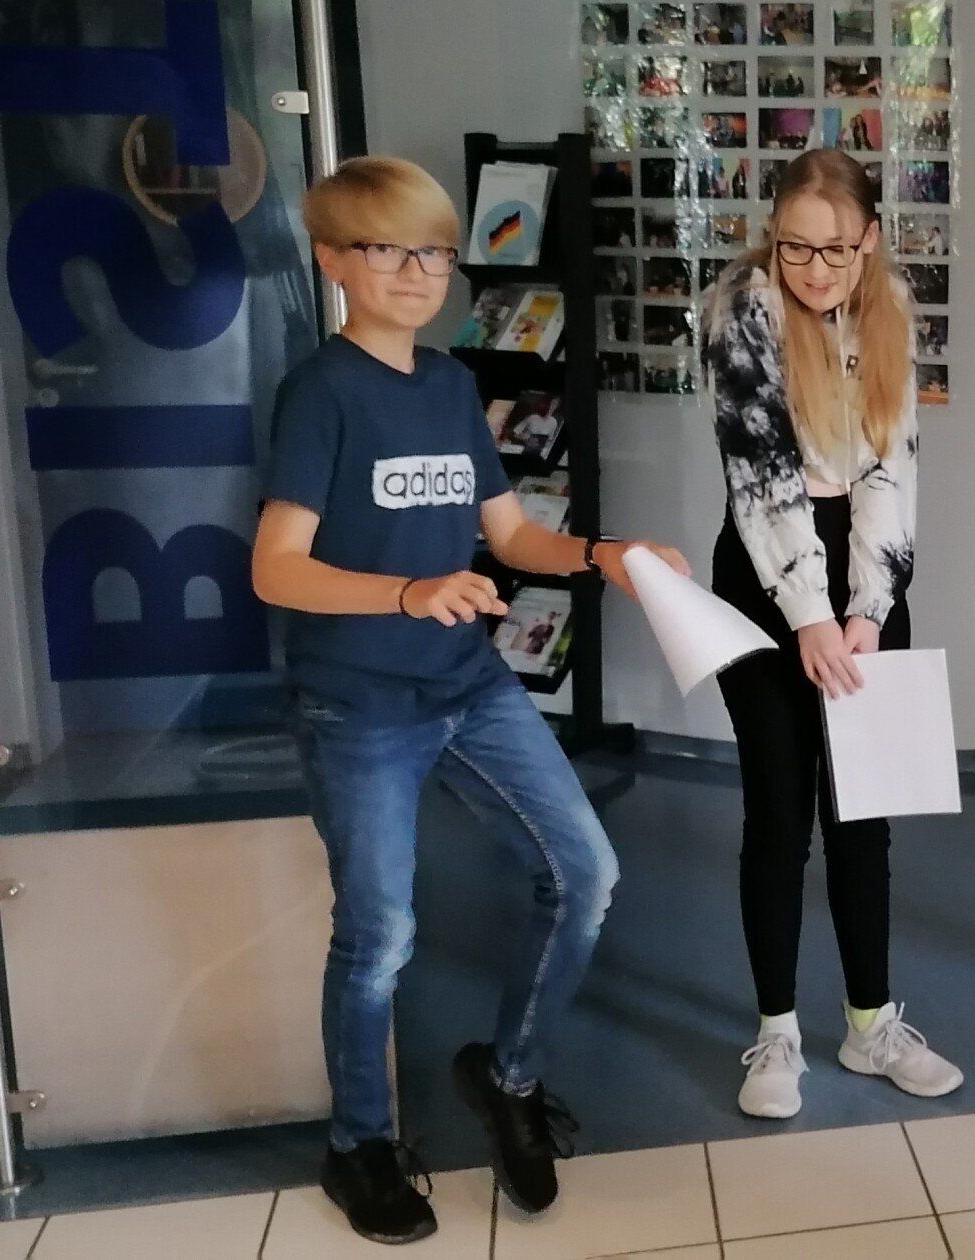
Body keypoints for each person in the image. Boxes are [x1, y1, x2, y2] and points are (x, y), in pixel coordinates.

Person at [252, 156, 688, 1244]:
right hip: (358, 702)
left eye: (436, 252)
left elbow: (511, 535)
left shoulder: (449, 383)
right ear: (332, 259)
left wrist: (605, 554)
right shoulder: (321, 391)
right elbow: (276, 567)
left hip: (467, 683)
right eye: (388, 249)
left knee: (585, 872)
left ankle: (508, 1076)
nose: (417, 272)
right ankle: (359, 1144)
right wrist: (406, 591)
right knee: (380, 933)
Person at [702, 148, 964, 1120]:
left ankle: (869, 1025)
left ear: (870, 240)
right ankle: (776, 1033)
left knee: (864, 815)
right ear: (773, 238)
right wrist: (808, 617)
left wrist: (867, 610)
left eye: (837, 250)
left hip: (863, 575)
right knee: (780, 814)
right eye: (796, 248)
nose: (816, 270)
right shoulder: (740, 310)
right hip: (764, 574)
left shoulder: (888, 304)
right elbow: (761, 480)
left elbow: (892, 469)